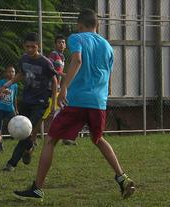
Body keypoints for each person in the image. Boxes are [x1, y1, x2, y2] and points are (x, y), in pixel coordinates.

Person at [14, 9, 135, 200]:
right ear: (97, 25)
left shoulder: (76, 38)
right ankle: (122, 177)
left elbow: (77, 60)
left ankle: (37, 188)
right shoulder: (108, 46)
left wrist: (64, 88)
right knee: (98, 138)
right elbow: (107, 75)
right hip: (99, 102)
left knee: (51, 139)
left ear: (79, 25)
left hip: (77, 101)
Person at [2, 32, 58, 171]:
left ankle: (12, 163)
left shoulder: (45, 62)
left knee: (26, 131)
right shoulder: (24, 60)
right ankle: (29, 146)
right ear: (24, 46)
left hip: (40, 102)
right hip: (26, 100)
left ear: (38, 46)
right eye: (27, 47)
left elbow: (54, 80)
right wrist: (7, 84)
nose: (30, 49)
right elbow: (21, 74)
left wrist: (54, 104)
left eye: (33, 47)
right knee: (25, 132)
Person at [48, 34, 76, 146]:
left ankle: (64, 137)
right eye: (59, 42)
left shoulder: (62, 56)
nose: (61, 44)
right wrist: (64, 74)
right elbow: (50, 69)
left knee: (63, 110)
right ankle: (33, 138)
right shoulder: (53, 54)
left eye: (63, 42)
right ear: (55, 44)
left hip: (58, 87)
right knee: (45, 113)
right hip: (50, 87)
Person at [0, 65, 18, 135]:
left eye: (13, 72)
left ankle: (17, 135)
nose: (11, 73)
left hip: (10, 108)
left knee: (16, 122)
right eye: (9, 72)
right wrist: (3, 91)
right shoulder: (2, 82)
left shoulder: (15, 85)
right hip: (0, 107)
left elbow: (15, 98)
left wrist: (16, 109)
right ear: (5, 73)